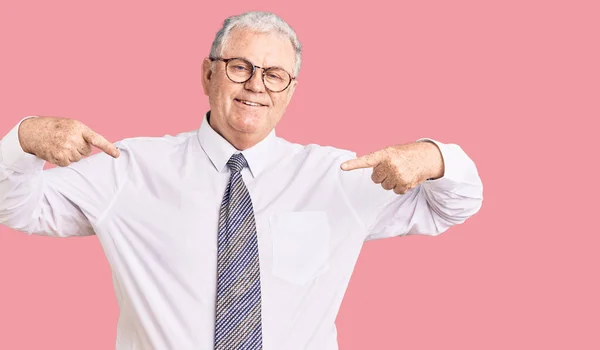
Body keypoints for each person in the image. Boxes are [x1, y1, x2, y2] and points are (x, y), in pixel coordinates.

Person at [0, 11, 483, 350]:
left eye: (275, 75)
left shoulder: (340, 177)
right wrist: (24, 138)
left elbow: (454, 204)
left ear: (291, 91)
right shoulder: (127, 167)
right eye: (240, 67)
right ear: (208, 74)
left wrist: (432, 155)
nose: (256, 84)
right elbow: (15, 205)